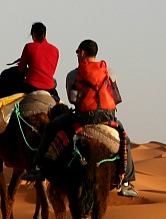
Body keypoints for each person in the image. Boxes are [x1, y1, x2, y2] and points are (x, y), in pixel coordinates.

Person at [22, 39, 139, 198]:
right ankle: (126, 183)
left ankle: (38, 168)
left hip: (84, 118)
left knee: (51, 128)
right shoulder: (109, 72)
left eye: (77, 52)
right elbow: (115, 96)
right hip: (108, 117)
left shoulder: (73, 74)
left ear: (83, 52)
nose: (77, 55)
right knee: (126, 140)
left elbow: (72, 99)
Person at [0, 21, 60, 129]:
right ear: (45, 34)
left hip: (30, 86)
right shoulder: (55, 50)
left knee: (1, 91)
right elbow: (51, 71)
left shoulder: (29, 47)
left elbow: (20, 70)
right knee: (59, 105)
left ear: (34, 34)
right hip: (49, 88)